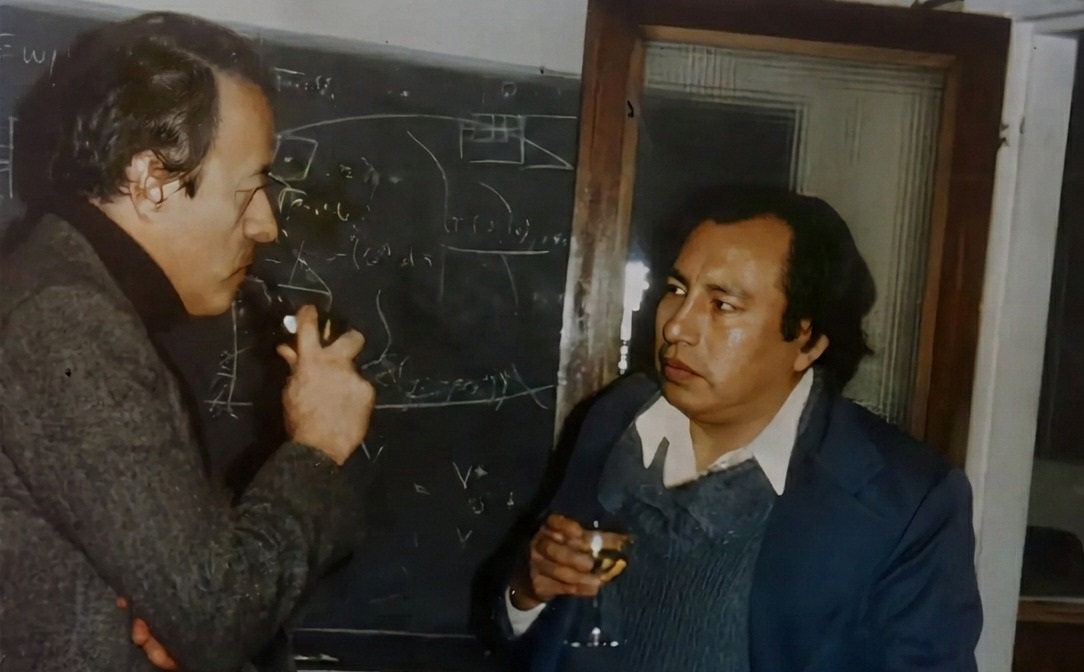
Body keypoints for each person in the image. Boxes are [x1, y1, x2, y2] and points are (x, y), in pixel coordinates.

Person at [0, 12, 374, 672]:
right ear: (151, 182)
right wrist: (318, 448)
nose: (267, 225)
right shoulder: (68, 322)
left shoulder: (72, 293)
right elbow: (218, 616)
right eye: (251, 187)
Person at [491, 187, 983, 671]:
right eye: (677, 290)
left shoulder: (906, 501)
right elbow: (531, 635)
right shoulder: (616, 418)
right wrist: (527, 588)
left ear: (807, 342)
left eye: (722, 305)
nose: (676, 327)